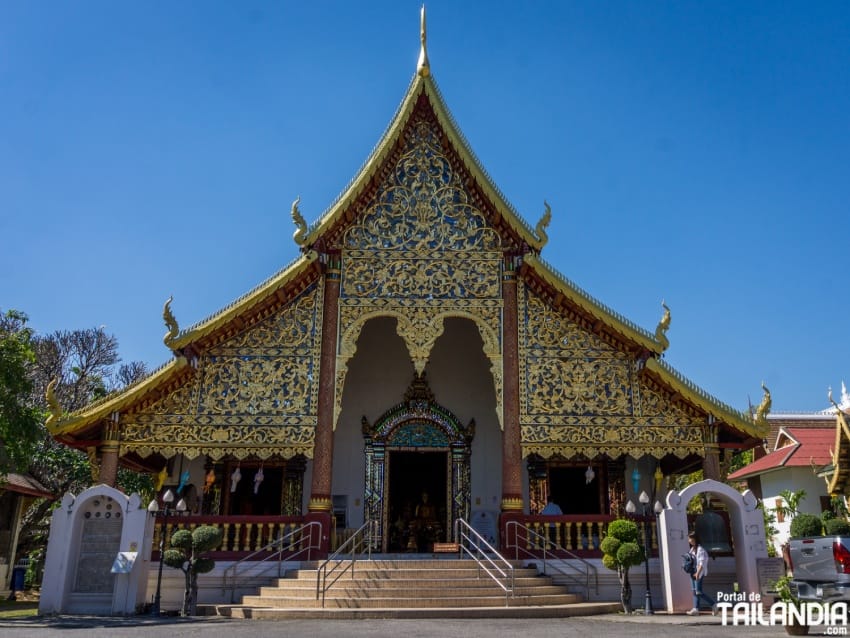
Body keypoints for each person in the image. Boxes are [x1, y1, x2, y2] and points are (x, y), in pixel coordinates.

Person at [686, 531, 717, 615]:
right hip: (692, 572)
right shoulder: (692, 549)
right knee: (694, 591)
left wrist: (697, 573)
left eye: (690, 538)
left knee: (698, 592)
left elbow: (701, 563)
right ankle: (696, 609)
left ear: (694, 539)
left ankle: (713, 604)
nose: (689, 540)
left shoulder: (700, 550)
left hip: (698, 573)